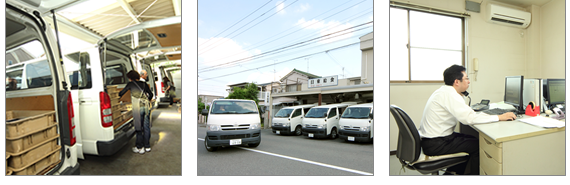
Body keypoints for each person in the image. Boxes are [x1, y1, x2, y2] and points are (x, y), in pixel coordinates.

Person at [418, 64, 516, 175]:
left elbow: (465, 114)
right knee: (476, 146)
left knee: (471, 138)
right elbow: (469, 118)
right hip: (436, 143)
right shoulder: (450, 94)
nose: (469, 82)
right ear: (456, 82)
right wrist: (499, 117)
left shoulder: (444, 91)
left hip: (432, 140)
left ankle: (452, 173)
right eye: (466, 78)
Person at [119, 70, 154, 154]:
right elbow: (151, 95)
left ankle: (140, 147)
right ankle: (147, 146)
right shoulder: (144, 84)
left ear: (130, 78)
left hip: (137, 108)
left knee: (138, 127)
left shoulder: (130, 84)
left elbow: (121, 93)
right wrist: (146, 100)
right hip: (146, 107)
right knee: (146, 127)